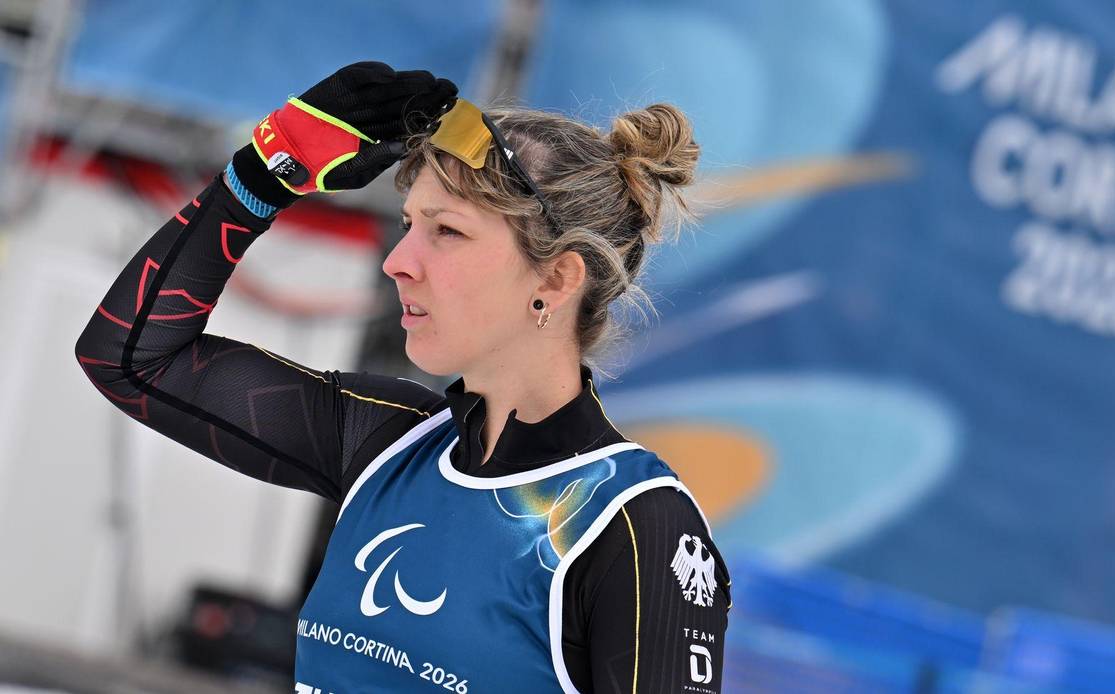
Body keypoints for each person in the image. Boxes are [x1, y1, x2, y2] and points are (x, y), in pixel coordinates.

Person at [74, 61, 730, 693]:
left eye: (447, 232)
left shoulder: (634, 524)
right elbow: (131, 359)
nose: (398, 261)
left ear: (557, 278)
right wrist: (264, 174)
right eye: (410, 223)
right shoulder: (386, 440)